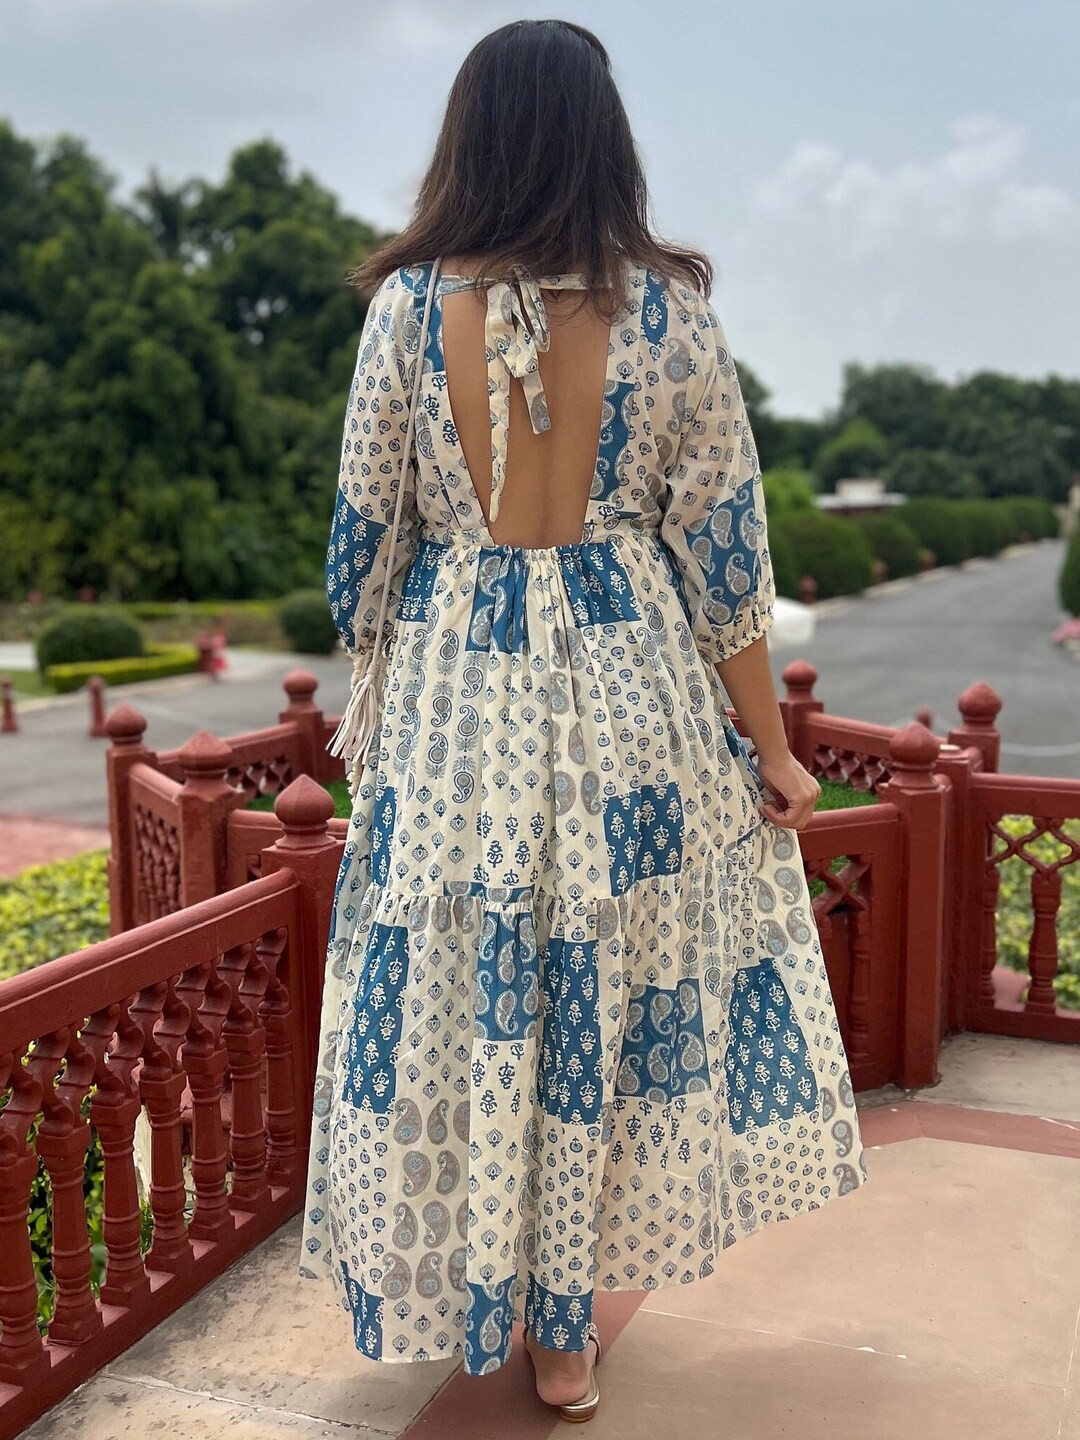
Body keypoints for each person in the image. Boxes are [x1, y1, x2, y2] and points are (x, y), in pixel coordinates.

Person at [299, 17, 868, 1424]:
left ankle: (477, 1297)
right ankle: (569, 1342)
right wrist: (776, 753)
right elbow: (725, 562)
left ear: (469, 135)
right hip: (631, 700)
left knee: (470, 1002)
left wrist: (372, 684)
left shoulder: (404, 309)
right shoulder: (669, 312)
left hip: (454, 701)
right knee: (611, 1004)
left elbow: (364, 537)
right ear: (605, 136)